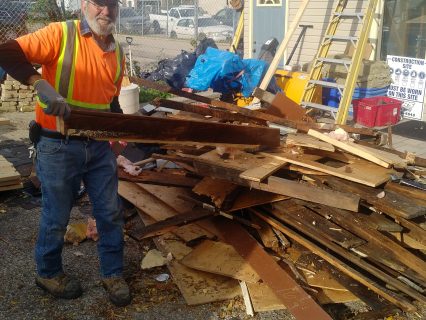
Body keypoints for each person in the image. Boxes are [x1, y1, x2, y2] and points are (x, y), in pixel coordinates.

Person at [0, 0, 131, 307]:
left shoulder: (118, 52)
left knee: (110, 213)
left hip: (98, 147)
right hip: (58, 144)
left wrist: (119, 142)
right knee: (56, 215)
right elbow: (6, 51)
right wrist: (38, 82)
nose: (106, 12)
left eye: (112, 5)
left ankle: (112, 273)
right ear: (85, 4)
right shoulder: (61, 34)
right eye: (99, 4)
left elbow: (111, 103)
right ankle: (47, 273)